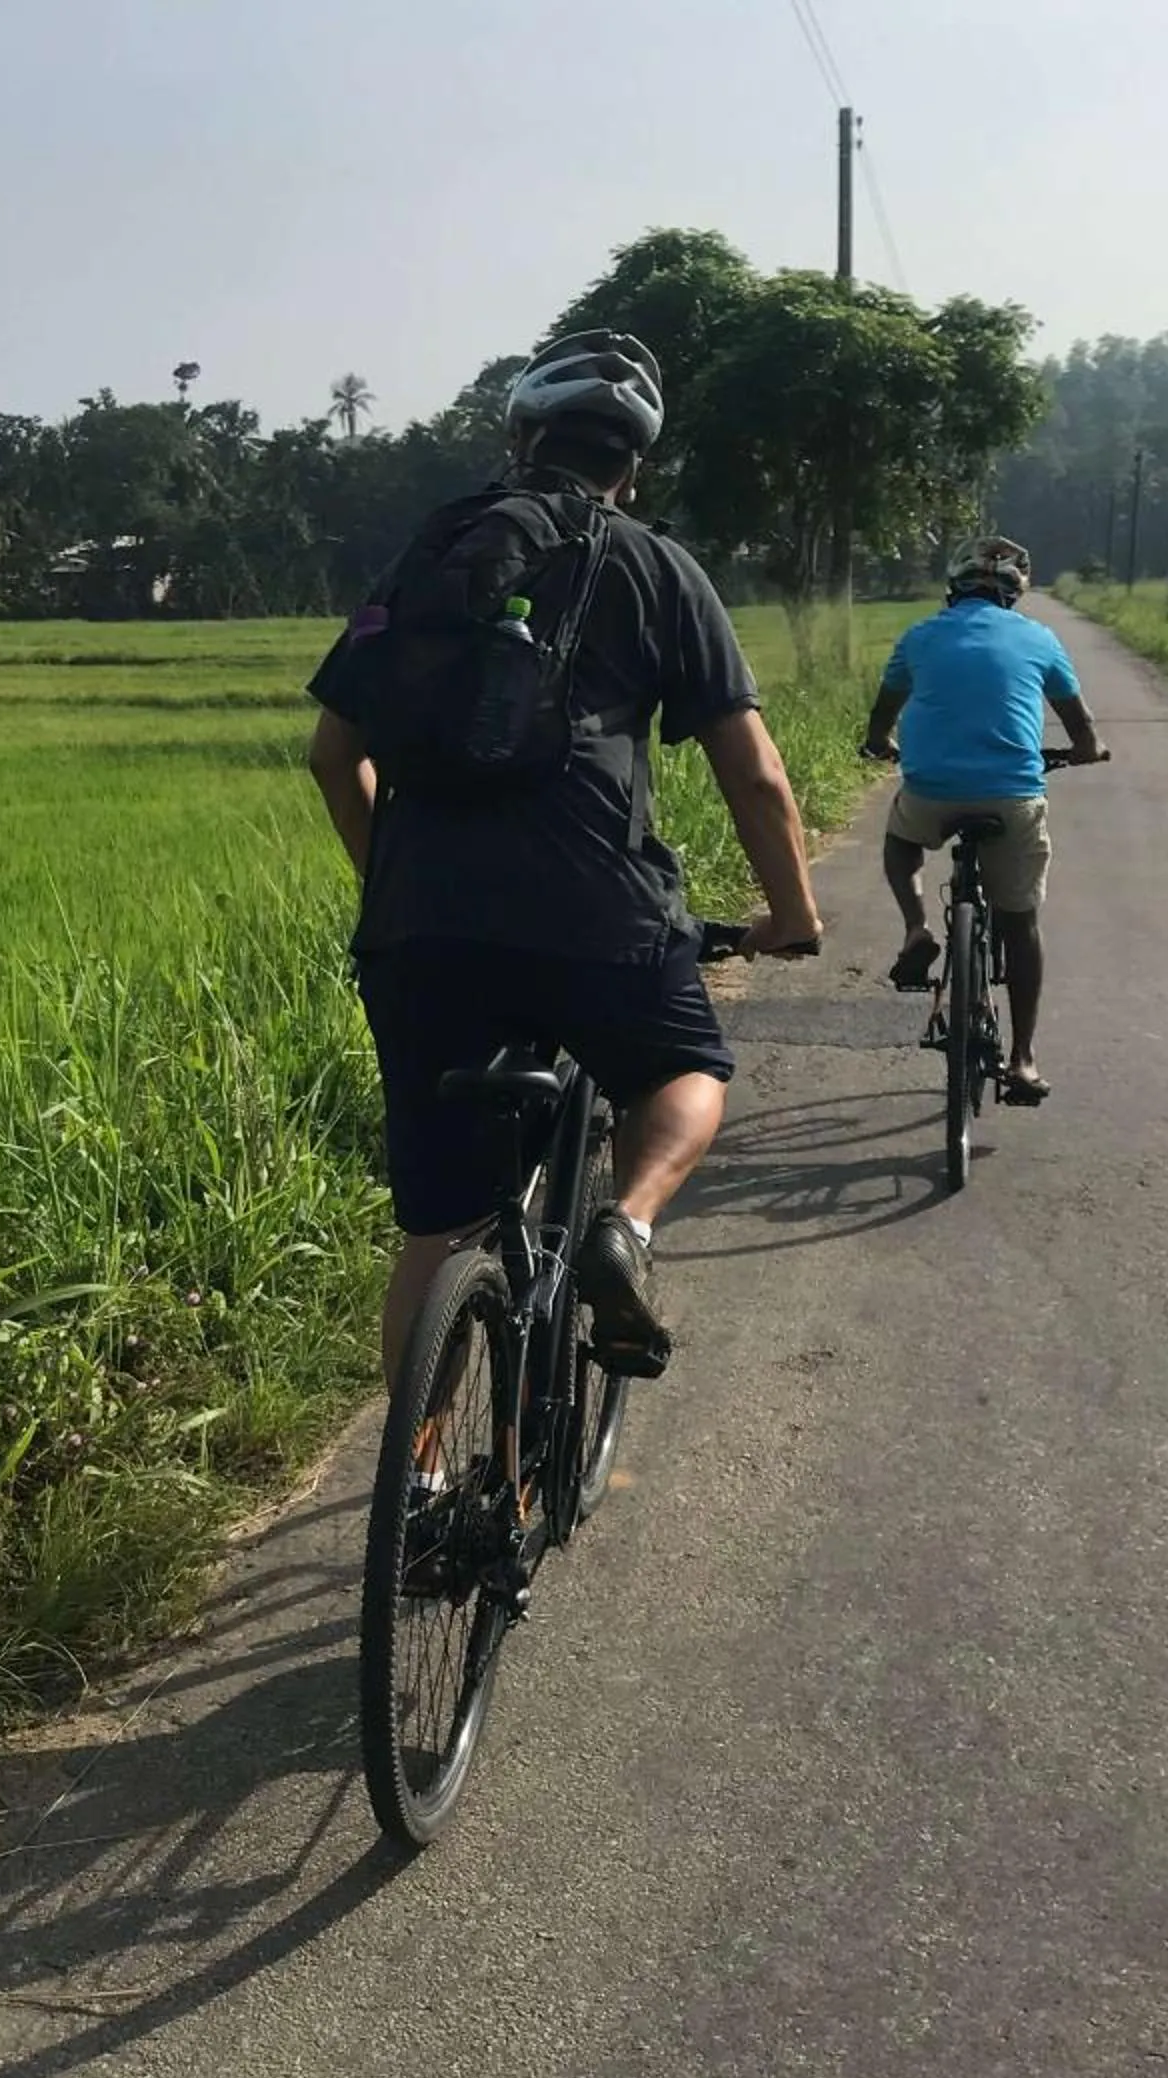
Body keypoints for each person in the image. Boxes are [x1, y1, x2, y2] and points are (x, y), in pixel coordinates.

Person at [304, 330, 823, 1389]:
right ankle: (625, 1227)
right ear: (633, 468)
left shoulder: (437, 545)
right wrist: (791, 915)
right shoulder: (664, 567)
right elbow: (758, 777)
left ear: (518, 437)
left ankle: (429, 1476)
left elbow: (331, 756)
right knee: (687, 1068)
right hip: (601, 916)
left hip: (421, 933)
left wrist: (400, 892)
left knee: (441, 1229)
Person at [862, 535, 1106, 1103]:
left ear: (953, 587)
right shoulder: (1040, 638)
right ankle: (1022, 1060)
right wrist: (1089, 752)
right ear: (1014, 595)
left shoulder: (920, 635)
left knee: (902, 840)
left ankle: (917, 928)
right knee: (1020, 924)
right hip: (1011, 794)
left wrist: (880, 743)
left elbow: (883, 714)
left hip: (932, 789)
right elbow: (1081, 725)